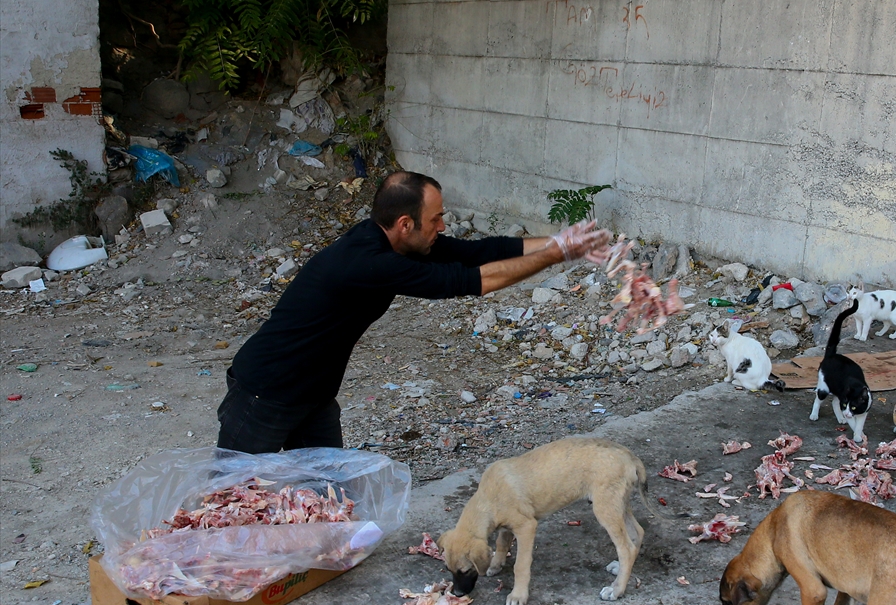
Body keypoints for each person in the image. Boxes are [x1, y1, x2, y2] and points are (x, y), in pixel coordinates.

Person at [217, 170, 611, 453]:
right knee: (232, 497)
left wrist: (558, 240)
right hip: (264, 392)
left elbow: (476, 252)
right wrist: (554, 256)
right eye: (436, 218)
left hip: (313, 394)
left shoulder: (392, 241)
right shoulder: (370, 264)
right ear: (406, 223)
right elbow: (472, 281)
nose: (442, 226)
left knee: (329, 496)